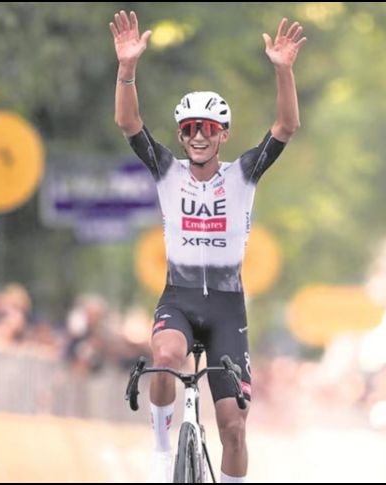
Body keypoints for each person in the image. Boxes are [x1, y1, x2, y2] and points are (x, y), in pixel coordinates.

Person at [110, 9, 306, 483]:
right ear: (181, 135)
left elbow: (286, 127)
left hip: (226, 308)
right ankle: (162, 453)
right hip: (178, 298)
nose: (198, 136)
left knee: (234, 429)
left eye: (208, 128)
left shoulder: (243, 174)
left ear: (223, 134)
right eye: (190, 128)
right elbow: (128, 122)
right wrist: (127, 67)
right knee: (165, 358)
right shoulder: (167, 171)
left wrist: (283, 70)